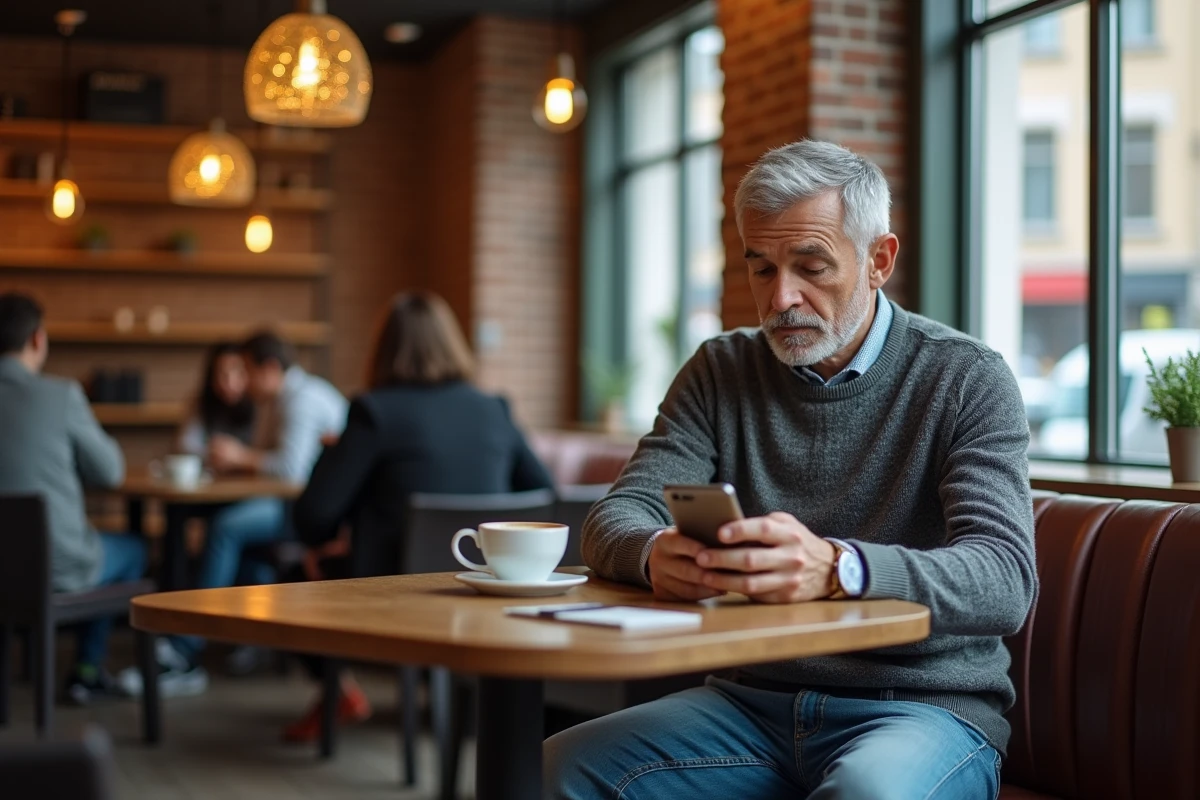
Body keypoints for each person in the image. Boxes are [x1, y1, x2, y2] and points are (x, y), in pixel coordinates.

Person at [544, 140, 1037, 799]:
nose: (782, 298)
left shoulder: (965, 378)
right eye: (762, 269)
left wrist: (839, 569)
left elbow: (1005, 579)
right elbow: (615, 517)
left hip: (922, 707)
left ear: (878, 260)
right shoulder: (720, 370)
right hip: (749, 702)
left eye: (811, 267)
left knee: (870, 792)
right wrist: (654, 552)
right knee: (556, 769)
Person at [283, 291, 555, 742]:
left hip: (394, 588)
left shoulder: (374, 410)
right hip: (488, 582)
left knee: (295, 572)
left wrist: (330, 463)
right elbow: (542, 493)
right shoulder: (494, 409)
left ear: (385, 348)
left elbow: (312, 517)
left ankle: (340, 694)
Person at [119, 330, 347, 695]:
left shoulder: (301, 400)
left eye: (246, 369)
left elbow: (291, 471)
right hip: (297, 506)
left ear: (269, 368)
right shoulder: (280, 400)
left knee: (225, 527)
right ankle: (216, 638)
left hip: (308, 515)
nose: (242, 380)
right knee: (224, 526)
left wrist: (240, 457)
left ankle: (185, 652)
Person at [0, 293, 145, 704]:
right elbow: (111, 471)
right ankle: (86, 670)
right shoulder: (61, 396)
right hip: (55, 566)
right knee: (133, 550)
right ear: (37, 339)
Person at [176, 341, 256, 456]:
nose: (229, 382)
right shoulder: (201, 402)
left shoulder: (261, 402)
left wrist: (239, 455)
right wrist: (216, 452)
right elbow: (185, 445)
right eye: (222, 374)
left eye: (237, 372)